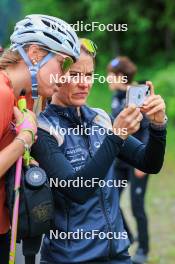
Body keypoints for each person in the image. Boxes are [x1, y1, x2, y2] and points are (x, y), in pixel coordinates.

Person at [32, 39, 167, 264]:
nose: (84, 83)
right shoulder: (43, 128)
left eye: (89, 74)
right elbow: (77, 189)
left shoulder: (100, 119)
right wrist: (116, 136)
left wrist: (158, 126)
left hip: (118, 255)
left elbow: (149, 163)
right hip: (71, 258)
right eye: (75, 75)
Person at [0, 14, 80, 264]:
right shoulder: (2, 94)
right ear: (35, 53)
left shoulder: (19, 96)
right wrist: (24, 139)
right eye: (63, 64)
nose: (65, 76)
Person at [107, 57, 152, 263]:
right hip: (120, 162)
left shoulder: (138, 96)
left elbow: (148, 129)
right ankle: (127, 236)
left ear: (120, 77)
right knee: (110, 199)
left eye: (110, 75)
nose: (107, 79)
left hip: (137, 162)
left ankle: (143, 248)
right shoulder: (117, 97)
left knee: (137, 206)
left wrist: (143, 163)